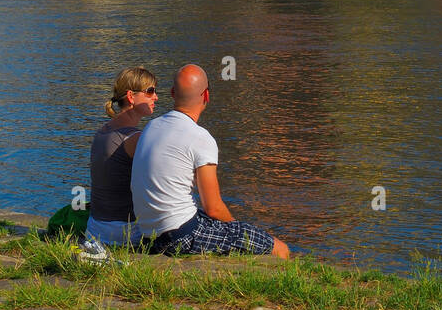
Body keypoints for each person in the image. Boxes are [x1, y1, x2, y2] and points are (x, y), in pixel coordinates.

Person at [131, 64, 290, 259]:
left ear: (173, 93)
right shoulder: (200, 137)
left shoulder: (151, 126)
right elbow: (213, 208)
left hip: (148, 237)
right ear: (206, 96)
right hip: (179, 236)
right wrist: (236, 230)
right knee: (279, 248)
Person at [85, 67, 159, 249]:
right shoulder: (135, 139)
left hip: (94, 228)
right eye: (150, 91)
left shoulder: (102, 131)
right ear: (131, 97)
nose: (156, 97)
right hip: (125, 233)